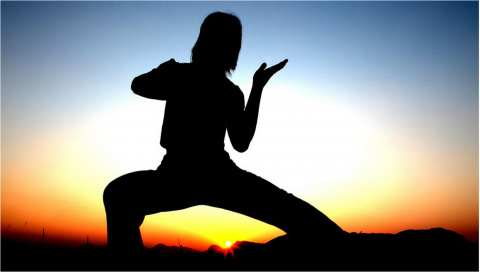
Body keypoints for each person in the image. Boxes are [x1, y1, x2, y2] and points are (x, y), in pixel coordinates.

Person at [103, 12, 344, 252]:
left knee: (117, 194)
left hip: (197, 176)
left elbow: (240, 142)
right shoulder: (199, 81)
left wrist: (257, 88)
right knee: (118, 194)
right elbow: (139, 86)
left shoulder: (195, 80)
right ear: (233, 49)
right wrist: (169, 70)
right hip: (197, 176)